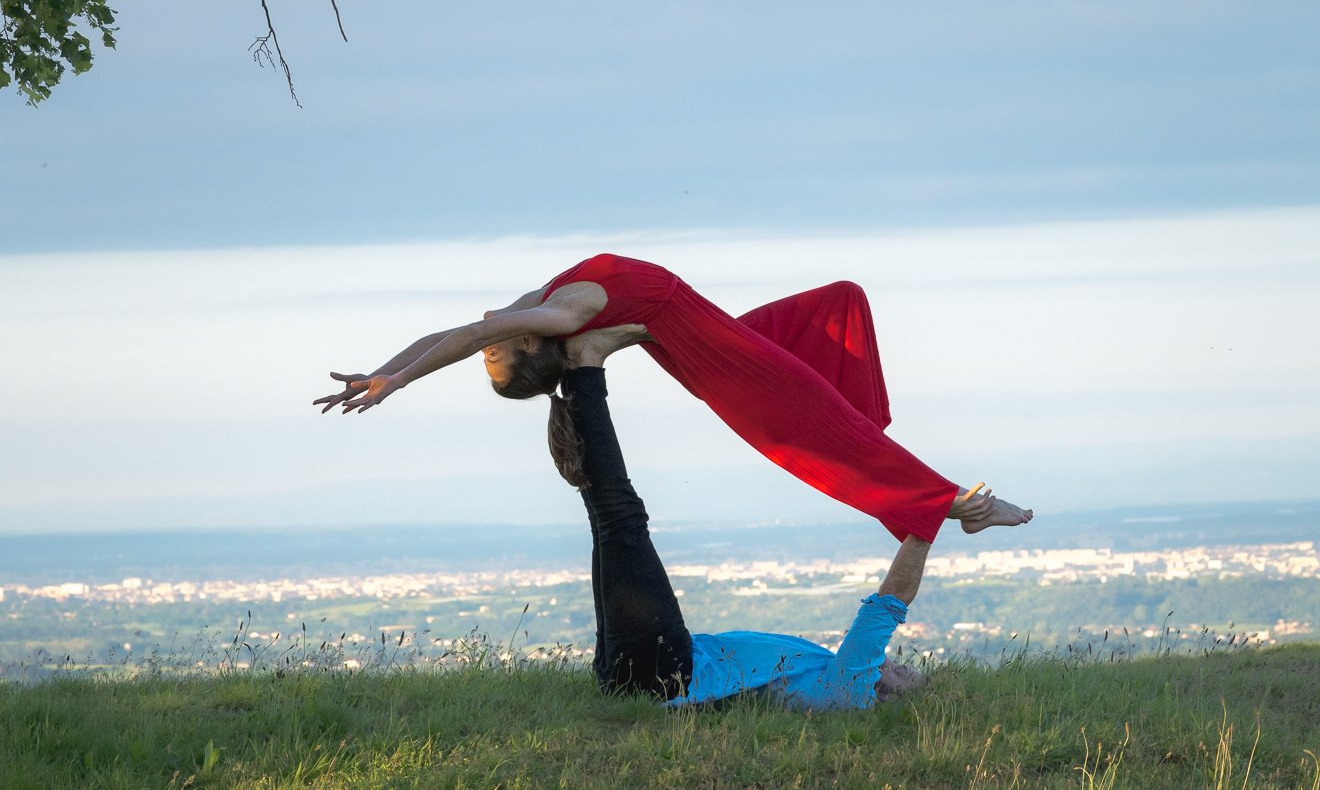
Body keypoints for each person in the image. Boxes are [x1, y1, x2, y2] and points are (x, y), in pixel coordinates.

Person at [315, 251, 1032, 543]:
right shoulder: (558, 316)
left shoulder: (537, 303)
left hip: (720, 331)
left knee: (839, 301)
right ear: (529, 345)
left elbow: (455, 330)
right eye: (496, 351)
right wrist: (402, 383)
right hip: (720, 361)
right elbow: (466, 338)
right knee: (823, 439)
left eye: (491, 348)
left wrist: (385, 372)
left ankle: (866, 430)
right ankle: (954, 505)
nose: (489, 341)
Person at [549, 323, 927, 707]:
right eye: (904, 665)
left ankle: (582, 364)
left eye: (901, 674)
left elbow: (888, 606)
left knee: (619, 516)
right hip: (650, 669)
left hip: (668, 671)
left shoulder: (848, 690)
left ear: (886, 698)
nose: (892, 663)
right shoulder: (826, 675)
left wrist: (926, 517)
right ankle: (570, 368)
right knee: (608, 517)